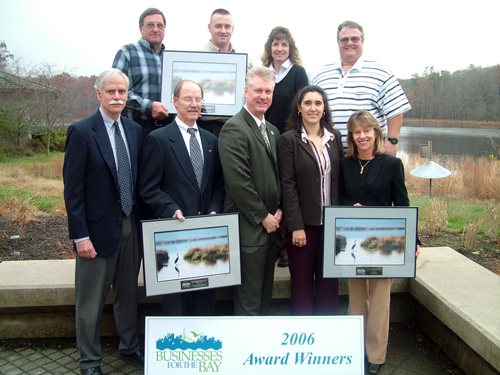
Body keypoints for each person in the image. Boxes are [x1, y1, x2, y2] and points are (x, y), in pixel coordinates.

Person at [63, 69, 143, 375]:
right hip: (95, 234)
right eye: (111, 92)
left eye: (122, 91)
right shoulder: (82, 132)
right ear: (99, 94)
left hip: (128, 225)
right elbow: (73, 190)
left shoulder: (134, 131)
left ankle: (129, 346)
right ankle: (90, 361)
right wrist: (79, 236)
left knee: (128, 294)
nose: (117, 97)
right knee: (90, 301)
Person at [339, 110, 420, 375]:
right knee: (357, 300)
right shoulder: (345, 164)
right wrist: (352, 205)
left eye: (367, 131)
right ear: (352, 136)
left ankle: (375, 354)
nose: (362, 136)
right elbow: (338, 200)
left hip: (385, 243)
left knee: (381, 300)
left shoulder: (392, 164)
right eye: (357, 132)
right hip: (354, 244)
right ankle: (354, 349)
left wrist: (413, 239)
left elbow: (403, 202)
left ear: (376, 133)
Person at [138, 80, 224, 316]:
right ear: (175, 101)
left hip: (206, 233)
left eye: (198, 99)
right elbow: (148, 188)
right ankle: (177, 349)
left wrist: (215, 209)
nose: (194, 104)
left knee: (205, 297)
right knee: (176, 301)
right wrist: (171, 209)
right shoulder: (159, 139)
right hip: (174, 233)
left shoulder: (211, 141)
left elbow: (218, 185)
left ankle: (204, 348)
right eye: (188, 99)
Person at [219, 66, 282, 316]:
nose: (263, 96)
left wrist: (279, 211)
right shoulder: (234, 128)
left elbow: (278, 177)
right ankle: (246, 350)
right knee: (249, 300)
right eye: (258, 90)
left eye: (268, 91)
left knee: (264, 295)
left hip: (271, 227)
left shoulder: (273, 131)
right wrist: (263, 216)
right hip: (249, 228)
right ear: (246, 91)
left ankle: (261, 349)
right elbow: (238, 182)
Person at [278, 85, 343, 315]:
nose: (313, 108)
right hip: (303, 227)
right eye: (307, 103)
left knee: (329, 284)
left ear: (324, 108)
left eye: (318, 103)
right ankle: (304, 338)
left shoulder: (335, 138)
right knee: (302, 285)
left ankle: (328, 338)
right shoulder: (288, 140)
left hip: (331, 225)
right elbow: (287, 185)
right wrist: (296, 226)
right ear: (299, 108)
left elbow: (339, 180)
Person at [312, 20, 411, 155]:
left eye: (355, 39)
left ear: (362, 41)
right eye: (345, 39)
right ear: (338, 42)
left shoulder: (381, 73)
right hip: (329, 155)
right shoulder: (321, 76)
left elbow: (395, 110)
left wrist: (392, 142)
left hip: (368, 155)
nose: (350, 43)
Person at [261, 26, 309, 268]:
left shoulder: (298, 72)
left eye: (284, 44)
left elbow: (302, 107)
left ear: (291, 48)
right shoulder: (263, 73)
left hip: (290, 140)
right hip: (266, 138)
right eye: (276, 44)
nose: (280, 49)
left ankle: (288, 246)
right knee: (270, 189)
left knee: (289, 189)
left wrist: (294, 137)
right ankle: (273, 244)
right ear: (270, 47)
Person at [112, 8, 171, 139]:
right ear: (141, 28)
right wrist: (149, 106)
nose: (155, 29)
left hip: (168, 128)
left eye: (159, 25)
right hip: (137, 127)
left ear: (164, 28)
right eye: (150, 25)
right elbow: (117, 91)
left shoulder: (171, 58)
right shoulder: (127, 52)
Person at [199, 8, 236, 137]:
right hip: (205, 127)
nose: (223, 31)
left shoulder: (246, 61)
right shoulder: (197, 58)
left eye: (227, 26)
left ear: (233, 28)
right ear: (209, 27)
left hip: (234, 127)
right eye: (218, 26)